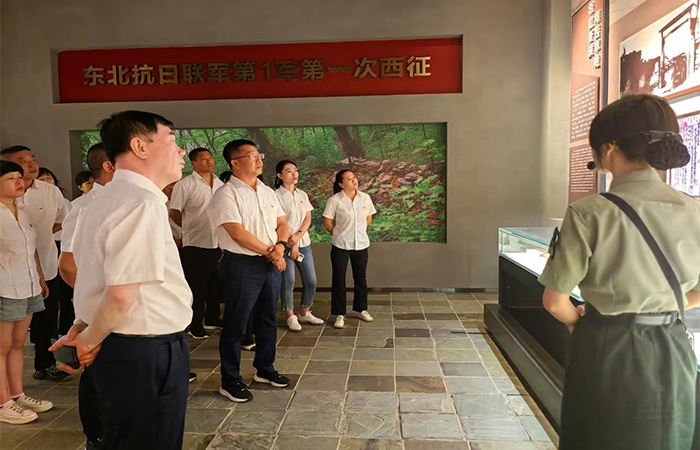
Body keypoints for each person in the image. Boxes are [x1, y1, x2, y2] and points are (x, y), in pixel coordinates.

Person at [539, 94, 700, 450]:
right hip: (674, 347)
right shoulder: (693, 209)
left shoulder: (589, 213)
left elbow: (554, 301)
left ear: (608, 149)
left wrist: (580, 321)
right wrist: (660, 303)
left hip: (608, 347)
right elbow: (697, 293)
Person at [50, 111, 193, 449]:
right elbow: (120, 294)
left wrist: (85, 328)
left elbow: (93, 277)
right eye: (172, 140)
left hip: (119, 344)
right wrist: (87, 341)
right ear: (139, 146)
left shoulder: (98, 200)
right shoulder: (141, 203)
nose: (181, 151)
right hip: (145, 350)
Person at [209, 139, 291, 403]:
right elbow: (238, 233)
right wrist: (272, 253)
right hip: (241, 265)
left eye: (259, 155)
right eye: (251, 156)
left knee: (268, 319)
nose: (259, 160)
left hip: (269, 262)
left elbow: (282, 222)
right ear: (235, 162)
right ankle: (230, 380)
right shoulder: (226, 194)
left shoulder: (266, 191)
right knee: (236, 323)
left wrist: (280, 246)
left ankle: (265, 369)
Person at [58, 142, 114, 450]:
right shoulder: (86, 207)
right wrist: (93, 305)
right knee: (100, 382)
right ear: (109, 167)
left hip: (118, 312)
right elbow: (68, 265)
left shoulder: (123, 202)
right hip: (102, 313)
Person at [0, 146, 70, 382]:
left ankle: (44, 365)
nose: (30, 164)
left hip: (43, 269)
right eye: (21, 161)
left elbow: (61, 221)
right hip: (8, 279)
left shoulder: (49, 192)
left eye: (32, 159)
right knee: (6, 340)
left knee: (45, 321)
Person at [0, 161, 53, 424]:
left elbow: (32, 250)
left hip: (28, 285)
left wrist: (40, 278)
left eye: (19, 177)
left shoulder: (22, 209)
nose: (19, 182)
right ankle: (2, 403)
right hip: (5, 287)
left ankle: (16, 394)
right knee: (1, 346)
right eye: (11, 178)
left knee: (18, 344)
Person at [169, 148, 224, 339]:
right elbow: (174, 211)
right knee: (196, 287)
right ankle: (194, 324)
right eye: (204, 159)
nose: (209, 162)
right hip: (195, 243)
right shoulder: (185, 185)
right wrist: (187, 227)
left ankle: (212, 318)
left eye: (211, 158)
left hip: (217, 242)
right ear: (193, 164)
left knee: (214, 285)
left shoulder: (220, 184)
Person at [323, 170, 376, 329]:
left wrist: (360, 231)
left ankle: (361, 309)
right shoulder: (335, 200)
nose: (353, 180)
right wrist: (338, 234)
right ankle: (339, 314)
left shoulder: (365, 197)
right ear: (341, 184)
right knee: (338, 279)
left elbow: (369, 217)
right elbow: (328, 222)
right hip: (340, 245)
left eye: (354, 177)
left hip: (361, 244)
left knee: (360, 278)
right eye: (348, 179)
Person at [274, 160, 323, 331]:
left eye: (295, 170)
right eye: (289, 171)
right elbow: (279, 222)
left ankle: (305, 312)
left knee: (311, 281)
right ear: (280, 175)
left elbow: (307, 218)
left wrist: (299, 235)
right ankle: (290, 315)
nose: (294, 174)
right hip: (284, 244)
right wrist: (291, 242)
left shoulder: (302, 194)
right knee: (289, 281)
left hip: (304, 243)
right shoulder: (275, 196)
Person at [36, 166, 75, 336]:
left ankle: (58, 332)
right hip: (41, 249)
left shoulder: (60, 198)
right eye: (42, 179)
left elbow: (64, 221)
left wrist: (45, 231)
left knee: (60, 292)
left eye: (49, 178)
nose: (46, 181)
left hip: (59, 247)